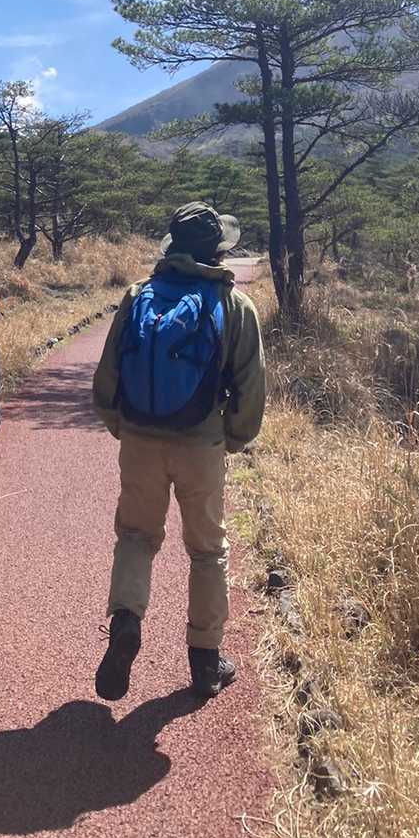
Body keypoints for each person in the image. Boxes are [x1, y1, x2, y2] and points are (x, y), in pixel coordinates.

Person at [91, 202, 265, 702]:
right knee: (208, 551)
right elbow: (251, 386)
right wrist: (234, 437)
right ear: (218, 251)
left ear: (173, 246)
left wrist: (121, 424)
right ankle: (206, 661)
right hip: (201, 442)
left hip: (140, 438)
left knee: (135, 536)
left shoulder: (138, 295)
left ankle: (126, 620)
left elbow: (107, 376)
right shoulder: (234, 304)